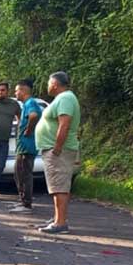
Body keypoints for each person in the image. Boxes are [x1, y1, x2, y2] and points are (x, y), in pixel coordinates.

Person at [36, 72, 81, 234]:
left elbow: (64, 124)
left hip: (59, 150)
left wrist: (57, 146)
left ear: (55, 83)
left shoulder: (66, 99)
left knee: (59, 185)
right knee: (56, 185)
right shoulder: (62, 98)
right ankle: (57, 218)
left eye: (48, 83)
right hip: (56, 149)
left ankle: (60, 223)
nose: (47, 86)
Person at [10, 79, 42, 213]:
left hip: (27, 146)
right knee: (19, 174)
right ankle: (23, 200)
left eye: (17, 90)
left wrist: (29, 129)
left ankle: (26, 204)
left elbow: (33, 116)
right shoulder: (26, 105)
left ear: (23, 91)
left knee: (24, 174)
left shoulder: (30, 103)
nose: (15, 93)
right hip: (24, 146)